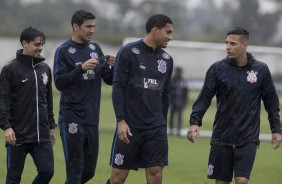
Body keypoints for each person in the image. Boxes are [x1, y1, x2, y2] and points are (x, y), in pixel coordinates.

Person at [187, 27, 281, 184]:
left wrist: (276, 129)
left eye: (232, 43)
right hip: (222, 136)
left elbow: (271, 102)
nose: (227, 47)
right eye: (226, 43)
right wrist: (194, 122)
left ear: (244, 45)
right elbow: (204, 97)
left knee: (242, 180)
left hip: (247, 137)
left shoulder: (260, 70)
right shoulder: (217, 69)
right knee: (221, 182)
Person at [106, 14, 173, 184]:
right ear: (155, 30)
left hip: (156, 127)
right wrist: (120, 121)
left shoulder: (167, 59)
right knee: (118, 178)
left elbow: (165, 95)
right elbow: (118, 87)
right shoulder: (128, 52)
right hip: (130, 126)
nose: (170, 37)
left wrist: (162, 123)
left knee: (156, 173)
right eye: (168, 32)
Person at [53, 10, 115, 183]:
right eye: (88, 26)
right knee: (75, 172)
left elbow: (108, 79)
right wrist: (80, 69)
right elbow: (59, 82)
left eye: (94, 26)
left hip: (92, 119)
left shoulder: (95, 48)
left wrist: (115, 67)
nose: (92, 30)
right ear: (75, 26)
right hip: (71, 117)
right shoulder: (63, 51)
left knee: (89, 172)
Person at [0, 27, 56, 183]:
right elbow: (3, 101)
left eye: (42, 44)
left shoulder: (44, 69)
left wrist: (51, 125)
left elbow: (48, 100)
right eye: (37, 44)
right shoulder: (10, 69)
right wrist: (7, 127)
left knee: (47, 172)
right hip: (17, 136)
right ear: (24, 43)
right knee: (13, 177)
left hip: (41, 135)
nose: (40, 48)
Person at [168, 67, 188, 136]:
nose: (178, 73)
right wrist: (170, 101)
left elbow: (186, 92)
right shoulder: (172, 80)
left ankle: (178, 131)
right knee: (172, 117)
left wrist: (185, 102)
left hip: (180, 102)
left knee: (179, 117)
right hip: (173, 101)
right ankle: (171, 130)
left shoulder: (183, 81)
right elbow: (168, 91)